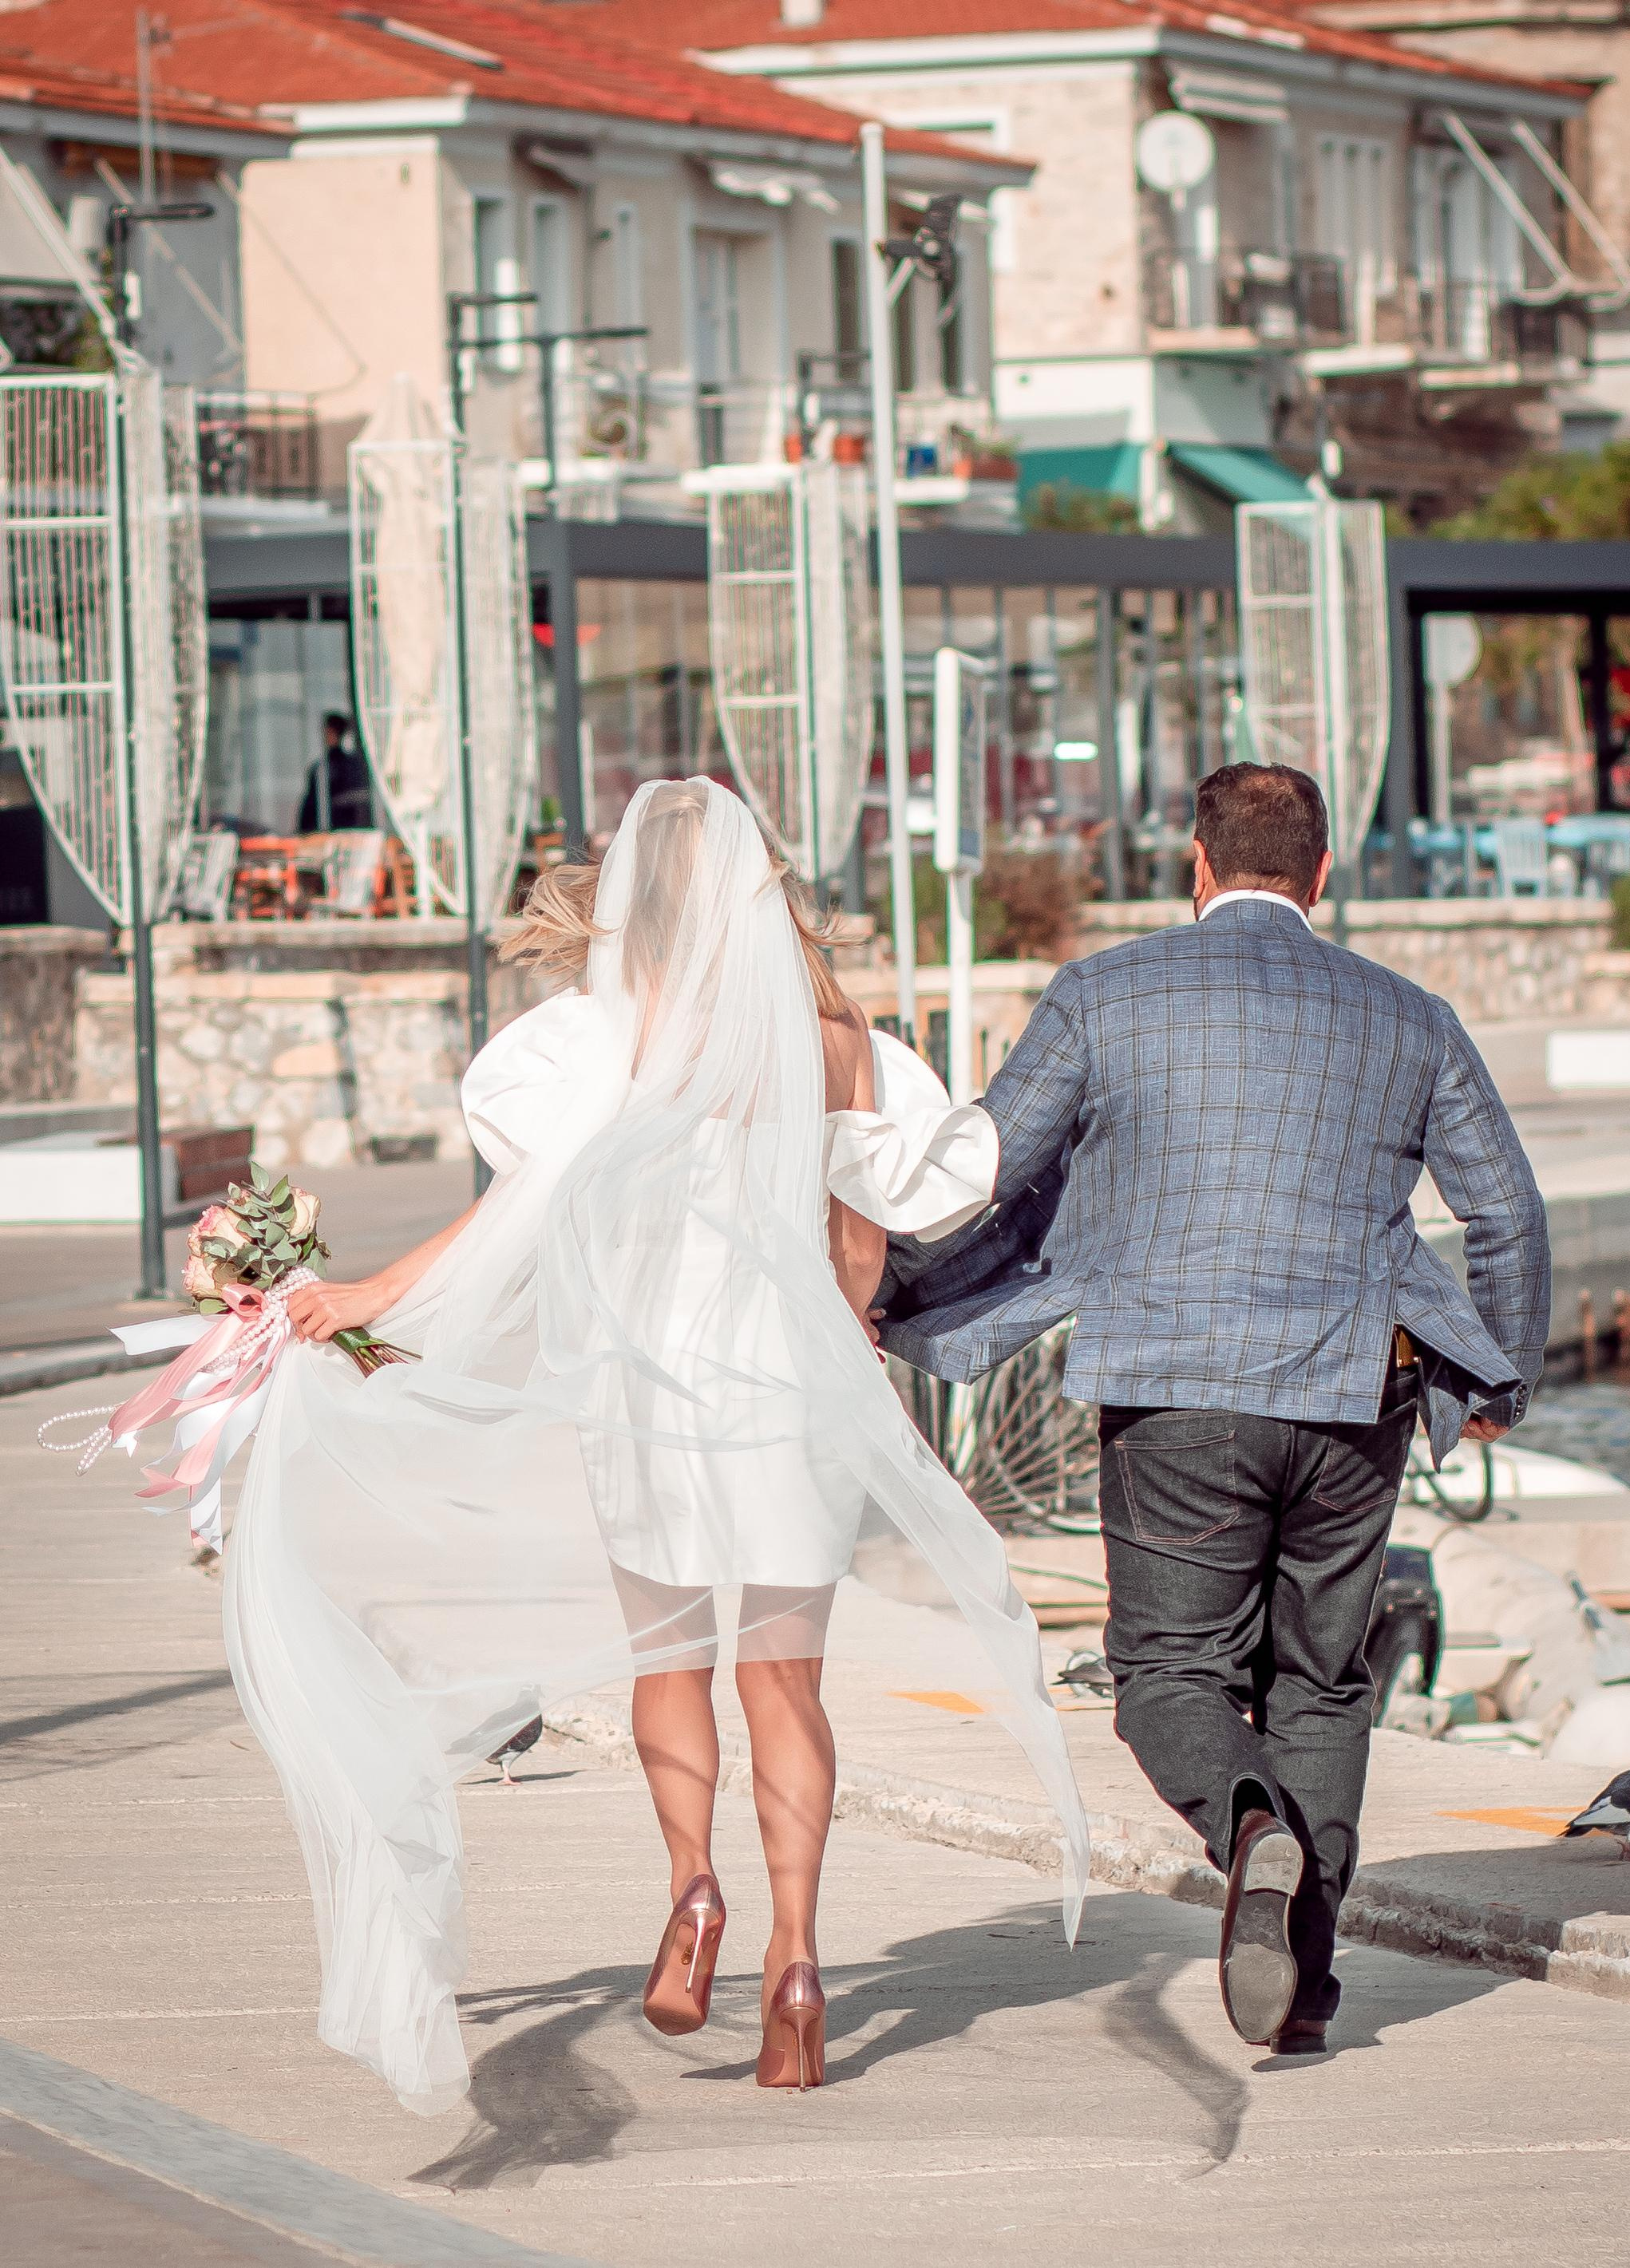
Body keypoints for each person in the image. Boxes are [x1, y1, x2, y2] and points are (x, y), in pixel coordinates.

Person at [234, 778, 1086, 2111]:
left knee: (667, 1661)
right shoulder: (831, 1032)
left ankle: (694, 1890)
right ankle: (799, 1966)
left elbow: (521, 1208)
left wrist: (365, 1298)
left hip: (652, 1381)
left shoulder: (611, 1038)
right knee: (784, 1685)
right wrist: (849, 1325)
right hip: (792, 1383)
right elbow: (863, 1229)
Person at [879, 762, 1550, 2056]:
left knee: (1165, 1674)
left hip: (1168, 1393)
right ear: (1318, 876)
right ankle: (1299, 1986)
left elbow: (979, 1166)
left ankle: (1247, 1835)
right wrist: (1502, 1376)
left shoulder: (1103, 991)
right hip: (1351, 1391)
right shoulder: (1406, 1014)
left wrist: (888, 1291)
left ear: (1195, 864)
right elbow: (1504, 1213)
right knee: (1319, 1679)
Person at [295, 712, 374, 833]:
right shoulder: (323, 768)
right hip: (341, 832)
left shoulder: (328, 769)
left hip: (344, 832)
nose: (326, 736)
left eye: (330, 731)